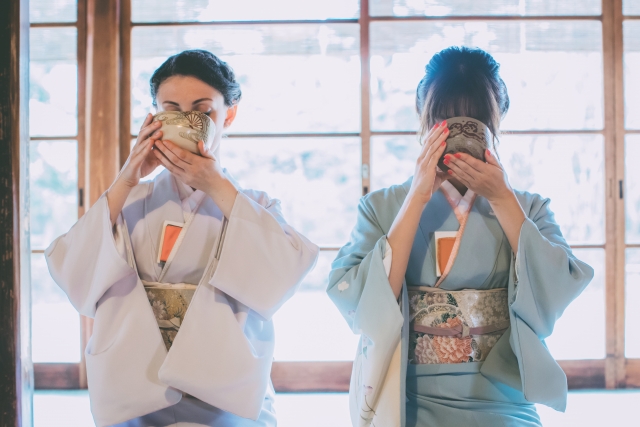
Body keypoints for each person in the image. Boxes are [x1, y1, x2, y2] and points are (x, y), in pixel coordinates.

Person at [45, 49, 319, 427]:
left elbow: (285, 270)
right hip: (138, 384)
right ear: (154, 116)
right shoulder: (131, 199)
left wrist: (217, 186)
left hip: (221, 390)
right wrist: (127, 177)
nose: (187, 122)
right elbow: (70, 264)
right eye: (170, 109)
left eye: (203, 111)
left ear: (230, 113)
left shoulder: (254, 205)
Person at [327, 46, 594, 427]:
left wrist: (501, 198)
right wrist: (417, 197)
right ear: (424, 119)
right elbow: (355, 297)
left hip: (499, 388)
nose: (457, 133)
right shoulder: (383, 207)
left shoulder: (528, 207)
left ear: (494, 122)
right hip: (406, 390)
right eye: (443, 120)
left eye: (475, 119)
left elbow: (560, 283)